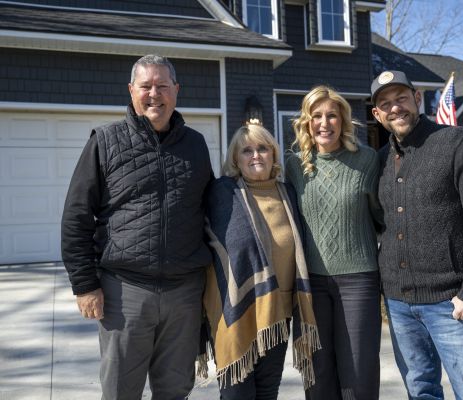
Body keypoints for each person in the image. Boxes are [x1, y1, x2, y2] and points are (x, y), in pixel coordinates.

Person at [61, 54, 214, 399]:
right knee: (120, 390)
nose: (154, 94)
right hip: (124, 293)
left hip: (184, 295)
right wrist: (84, 285)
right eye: (146, 86)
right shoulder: (105, 141)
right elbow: (76, 216)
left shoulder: (195, 145)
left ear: (176, 90)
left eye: (162, 86)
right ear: (131, 90)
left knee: (175, 390)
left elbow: (212, 209)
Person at [371, 70, 463, 400]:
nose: (395, 108)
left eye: (401, 98)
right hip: (399, 304)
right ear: (377, 114)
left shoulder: (456, 143)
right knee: (421, 391)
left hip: (451, 301)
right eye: (385, 104)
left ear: (417, 99)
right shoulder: (380, 160)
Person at [200, 124, 320, 400]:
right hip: (233, 310)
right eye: (247, 150)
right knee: (236, 393)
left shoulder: (288, 194)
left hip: (277, 311)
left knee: (267, 391)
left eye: (263, 148)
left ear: (273, 154)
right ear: (236, 158)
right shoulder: (221, 193)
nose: (256, 155)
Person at [285, 85, 383, 400]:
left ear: (343, 120)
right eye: (316, 116)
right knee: (317, 373)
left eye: (332, 116)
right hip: (310, 283)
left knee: (359, 373)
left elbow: (381, 216)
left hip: (358, 280)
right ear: (306, 121)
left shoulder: (366, 160)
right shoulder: (294, 165)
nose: (324, 123)